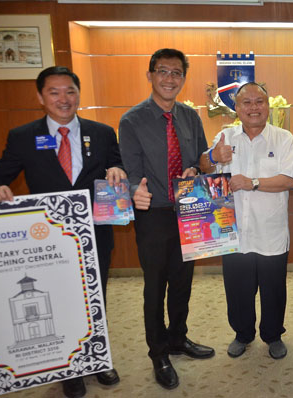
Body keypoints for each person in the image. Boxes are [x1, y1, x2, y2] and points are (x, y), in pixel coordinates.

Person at [0, 66, 123, 398]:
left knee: (97, 299)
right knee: (63, 301)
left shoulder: (103, 131)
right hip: (49, 240)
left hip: (95, 232)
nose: (63, 99)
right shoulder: (23, 136)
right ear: (41, 97)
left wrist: (116, 169)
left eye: (70, 91)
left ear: (78, 94)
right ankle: (70, 370)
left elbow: (117, 164)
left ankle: (97, 358)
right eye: (54, 92)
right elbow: (0, 175)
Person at [118, 48, 214, 390]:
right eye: (163, 71)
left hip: (189, 210)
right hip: (154, 214)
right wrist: (132, 189)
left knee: (183, 281)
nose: (170, 78)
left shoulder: (190, 117)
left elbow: (202, 161)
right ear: (150, 76)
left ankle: (178, 339)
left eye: (177, 73)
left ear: (183, 79)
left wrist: (199, 166)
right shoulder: (131, 120)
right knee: (155, 286)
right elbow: (130, 170)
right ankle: (157, 352)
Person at [200, 82, 293, 360]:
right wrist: (212, 157)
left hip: (271, 232)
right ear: (237, 108)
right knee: (238, 290)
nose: (254, 108)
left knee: (273, 291)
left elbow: (290, 180)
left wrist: (251, 182)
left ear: (268, 107)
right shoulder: (225, 136)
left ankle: (273, 335)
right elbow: (203, 167)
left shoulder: (284, 139)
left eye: (259, 102)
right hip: (235, 232)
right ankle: (242, 334)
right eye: (247, 103)